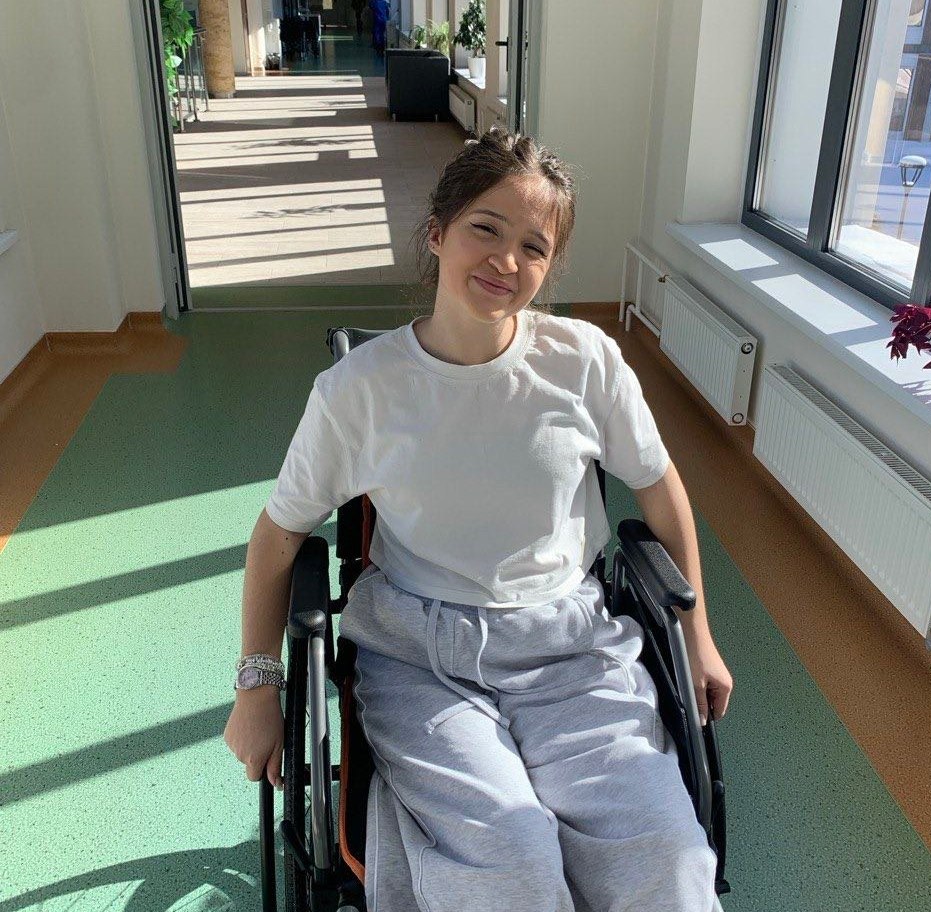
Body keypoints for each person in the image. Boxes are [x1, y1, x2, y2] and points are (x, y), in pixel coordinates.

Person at [224, 125, 734, 912]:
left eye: (534, 247)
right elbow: (279, 536)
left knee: (665, 858)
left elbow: (661, 489)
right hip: (422, 656)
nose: (507, 261)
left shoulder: (585, 361)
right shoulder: (359, 391)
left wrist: (697, 637)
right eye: (486, 230)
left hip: (572, 647)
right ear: (437, 232)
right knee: (510, 864)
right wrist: (258, 687)